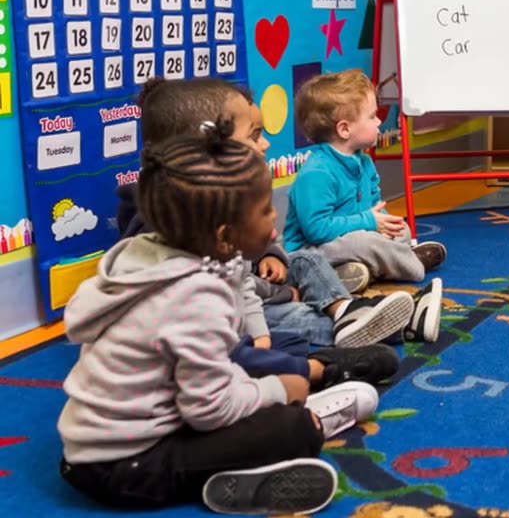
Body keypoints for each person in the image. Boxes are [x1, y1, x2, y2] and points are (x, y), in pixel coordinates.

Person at [58, 131, 379, 514]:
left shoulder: (154, 254)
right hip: (127, 469)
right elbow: (208, 411)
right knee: (296, 431)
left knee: (265, 383)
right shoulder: (195, 296)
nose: (274, 215)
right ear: (225, 236)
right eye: (264, 209)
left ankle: (283, 413)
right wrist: (276, 390)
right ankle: (232, 472)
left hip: (97, 450)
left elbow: (206, 370)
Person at [120, 77, 423, 352]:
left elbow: (258, 242)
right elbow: (221, 293)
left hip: (258, 285)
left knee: (307, 260)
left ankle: (348, 310)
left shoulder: (228, 191)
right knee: (290, 317)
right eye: (253, 135)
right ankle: (383, 325)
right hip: (230, 311)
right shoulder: (165, 218)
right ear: (207, 143)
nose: (265, 144)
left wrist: (271, 255)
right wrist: (281, 294)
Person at [285, 69, 445, 343]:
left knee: (400, 230)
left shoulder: (364, 162)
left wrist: (384, 223)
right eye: (372, 116)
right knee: (364, 242)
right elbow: (317, 229)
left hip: (350, 239)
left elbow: (374, 207)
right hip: (310, 251)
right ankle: (411, 262)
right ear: (344, 128)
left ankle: (358, 272)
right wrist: (371, 223)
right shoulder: (317, 172)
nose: (380, 120)